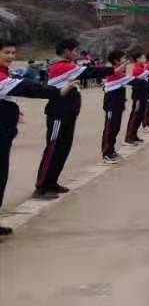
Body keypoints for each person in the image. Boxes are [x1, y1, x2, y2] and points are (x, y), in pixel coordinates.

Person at [1, 39, 74, 237]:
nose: (11, 56)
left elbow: (10, 94)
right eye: (6, 52)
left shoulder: (4, 73)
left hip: (5, 132)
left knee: (2, 176)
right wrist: (57, 92)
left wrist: (15, 111)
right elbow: (27, 88)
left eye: (13, 53)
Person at [34, 39, 114, 200]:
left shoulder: (68, 66)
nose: (77, 54)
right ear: (66, 51)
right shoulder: (62, 66)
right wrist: (112, 69)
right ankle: (42, 186)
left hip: (69, 114)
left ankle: (52, 182)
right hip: (58, 114)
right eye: (75, 50)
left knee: (63, 148)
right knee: (53, 148)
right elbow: (88, 72)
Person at [101, 50, 132, 163]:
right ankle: (106, 153)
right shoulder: (113, 72)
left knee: (115, 128)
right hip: (111, 105)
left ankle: (111, 150)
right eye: (123, 58)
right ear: (116, 61)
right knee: (109, 128)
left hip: (118, 104)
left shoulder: (119, 72)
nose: (125, 61)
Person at [124, 50, 149, 142]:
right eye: (143, 57)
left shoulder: (142, 68)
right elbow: (136, 83)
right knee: (135, 115)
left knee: (140, 116)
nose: (145, 59)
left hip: (144, 95)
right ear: (138, 59)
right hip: (138, 96)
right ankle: (129, 136)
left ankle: (134, 135)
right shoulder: (137, 69)